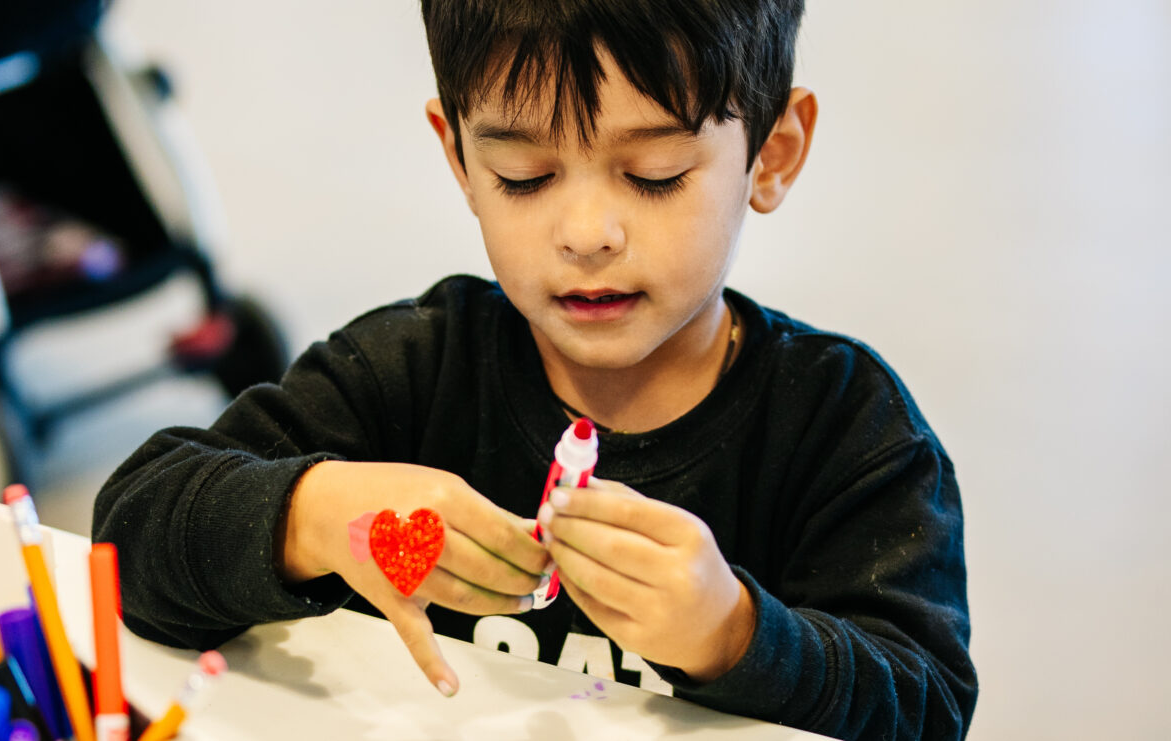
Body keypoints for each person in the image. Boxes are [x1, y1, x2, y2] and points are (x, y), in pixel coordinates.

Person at [93, 1, 978, 738]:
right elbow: (127, 539)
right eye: (524, 175)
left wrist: (737, 634)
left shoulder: (844, 427)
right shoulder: (413, 368)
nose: (586, 230)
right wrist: (312, 515)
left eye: (655, 173)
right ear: (460, 159)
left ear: (772, 152)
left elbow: (926, 705)